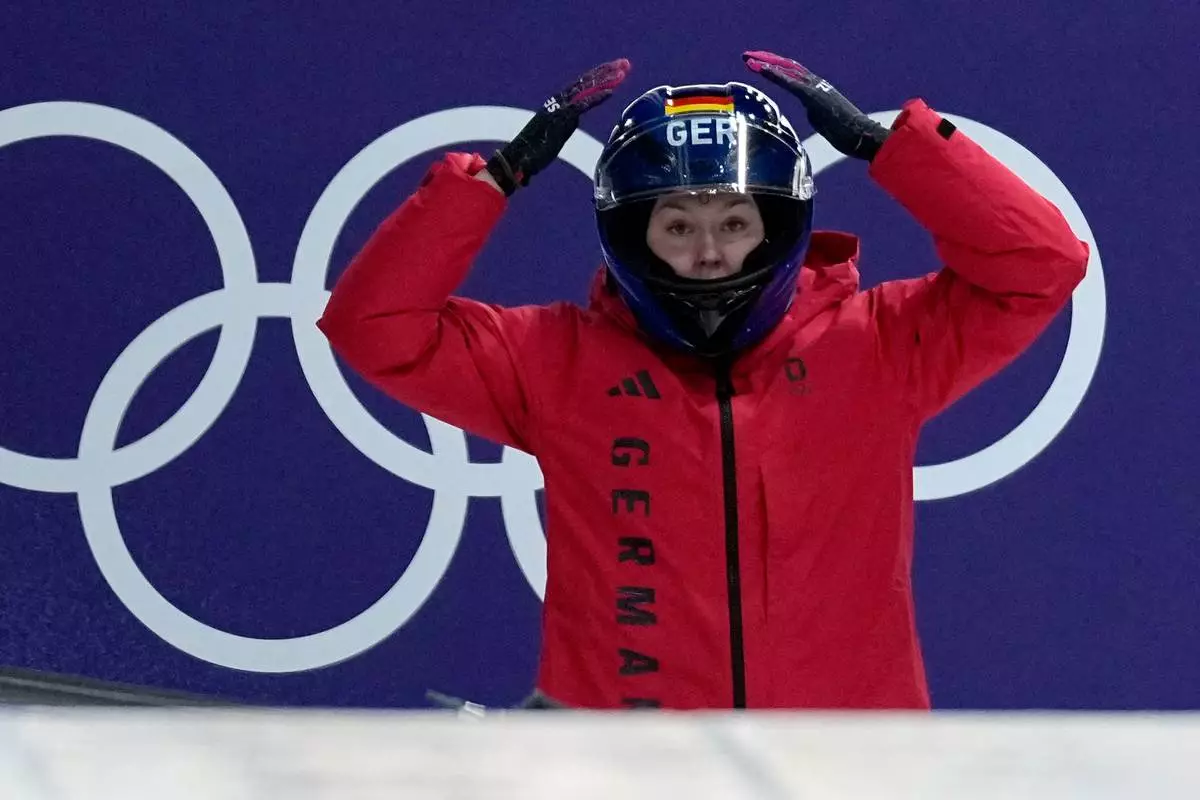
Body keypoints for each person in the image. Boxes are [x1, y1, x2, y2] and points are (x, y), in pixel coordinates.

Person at [317, 52, 1089, 710]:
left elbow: (1041, 267)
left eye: (734, 222)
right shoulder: (553, 359)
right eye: (679, 225)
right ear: (634, 235)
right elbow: (374, 327)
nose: (710, 254)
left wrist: (891, 147)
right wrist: (493, 178)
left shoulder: (881, 344)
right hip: (624, 771)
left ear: (780, 226)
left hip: (854, 768)